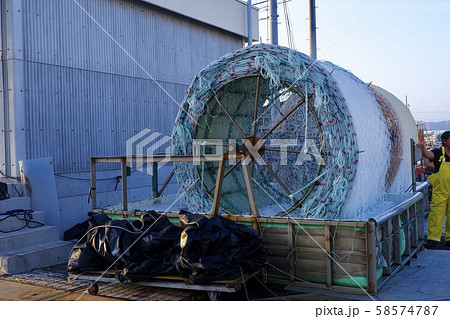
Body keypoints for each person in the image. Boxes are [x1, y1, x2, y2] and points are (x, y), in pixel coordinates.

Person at [417, 130, 450, 249]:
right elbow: (427, 155)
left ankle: (449, 239)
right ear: (444, 141)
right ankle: (433, 239)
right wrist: (423, 148)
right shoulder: (438, 153)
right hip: (441, 191)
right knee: (437, 214)